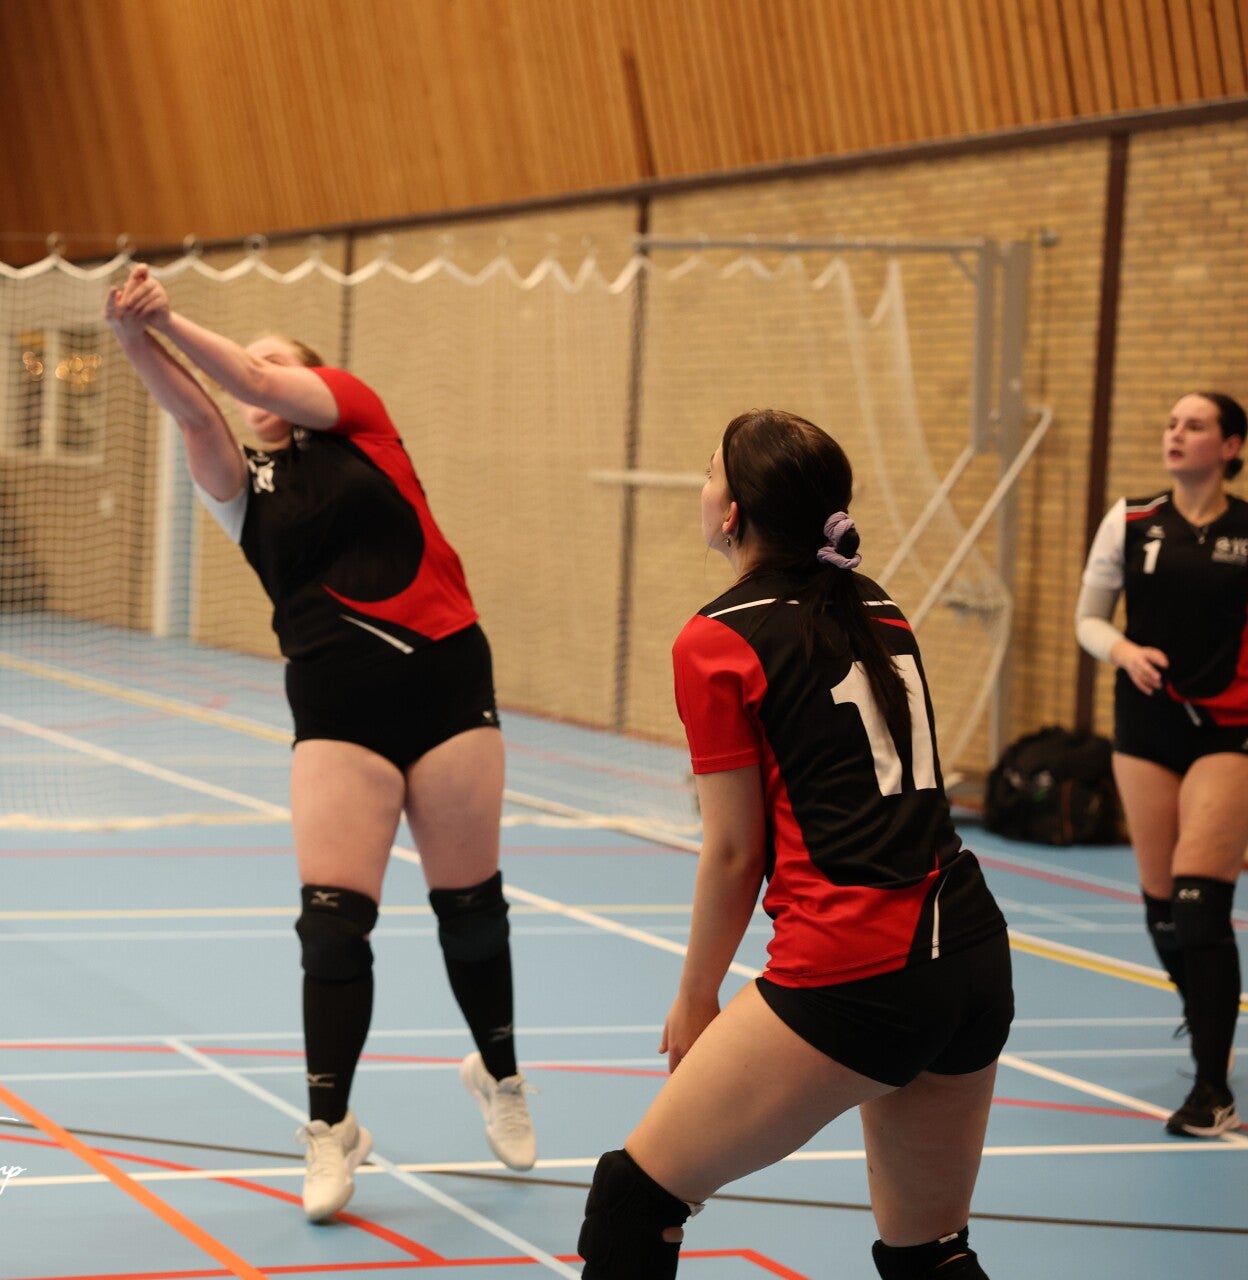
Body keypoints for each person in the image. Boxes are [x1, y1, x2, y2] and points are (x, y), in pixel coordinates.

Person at [104, 263, 535, 1221]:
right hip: (339, 713)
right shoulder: (242, 486)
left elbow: (249, 379)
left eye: (269, 362)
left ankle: (500, 1074)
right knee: (334, 925)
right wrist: (135, 336)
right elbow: (197, 412)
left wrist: (174, 315)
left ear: (312, 377)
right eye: (242, 368)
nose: (249, 379)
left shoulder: (362, 424)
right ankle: (331, 1129)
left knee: (471, 909)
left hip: (447, 687)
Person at [576, 410, 1012, 1279]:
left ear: (733, 512)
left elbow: (735, 852)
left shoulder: (717, 638)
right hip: (969, 952)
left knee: (633, 1201)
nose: (702, 488)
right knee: (928, 1255)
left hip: (858, 968)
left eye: (709, 472)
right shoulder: (876, 603)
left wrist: (695, 996)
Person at [1075, 391, 1247, 1139]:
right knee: (1163, 910)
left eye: (1195, 425)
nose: (1176, 433)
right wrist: (1122, 650)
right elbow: (1088, 619)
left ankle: (1212, 1090)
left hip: (1230, 732)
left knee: (1199, 900)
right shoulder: (1132, 520)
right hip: (1146, 726)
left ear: (1231, 447)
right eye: (1173, 423)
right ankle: (1204, 1011)